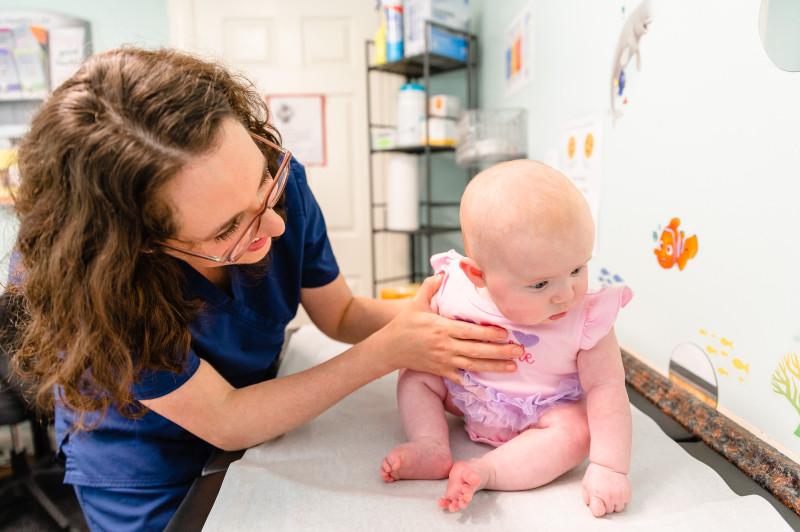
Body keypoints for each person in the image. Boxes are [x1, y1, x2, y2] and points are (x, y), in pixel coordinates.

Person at [6, 47, 524, 531]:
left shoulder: (273, 180)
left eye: (264, 188)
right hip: (147, 466)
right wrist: (388, 351)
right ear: (138, 246)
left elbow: (339, 314)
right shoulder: (96, 287)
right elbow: (227, 420)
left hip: (255, 414)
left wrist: (456, 317)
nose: (274, 228)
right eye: (228, 229)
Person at [380, 160, 633, 517]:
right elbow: (422, 336)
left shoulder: (588, 319)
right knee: (416, 373)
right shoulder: (454, 290)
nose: (566, 293)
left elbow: (607, 387)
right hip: (469, 396)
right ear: (477, 275)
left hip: (544, 413)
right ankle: (430, 443)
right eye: (541, 284)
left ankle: (490, 470)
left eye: (577, 268)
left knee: (577, 429)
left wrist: (610, 466)